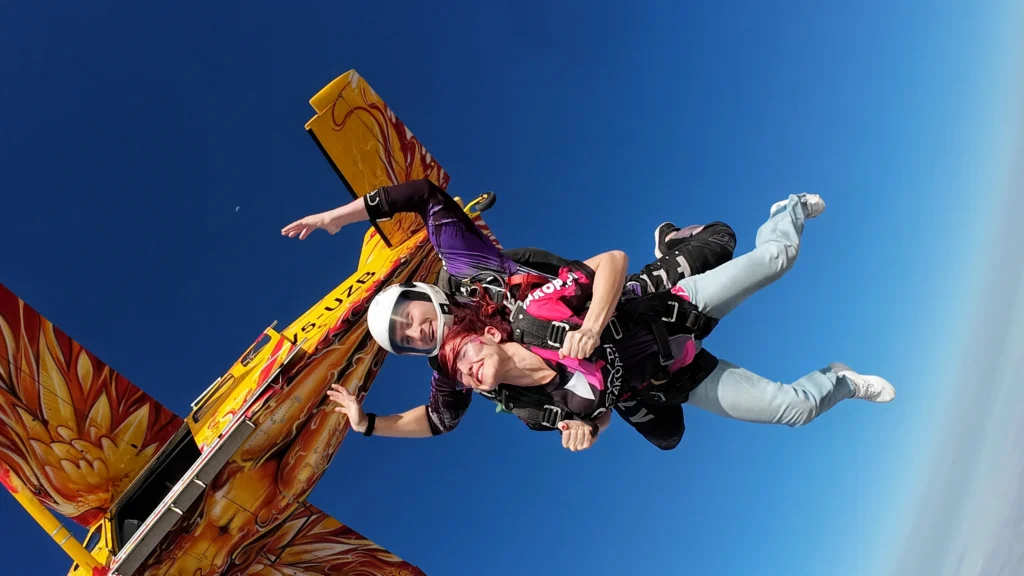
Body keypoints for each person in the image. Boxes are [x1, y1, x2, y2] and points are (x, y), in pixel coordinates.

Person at [381, 193, 895, 452]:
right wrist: (588, 428)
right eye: (409, 339)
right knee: (791, 410)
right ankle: (841, 380)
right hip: (676, 374)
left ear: (487, 333)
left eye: (466, 355)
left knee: (770, 257)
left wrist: (590, 325)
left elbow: (608, 262)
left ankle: (788, 210)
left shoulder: (527, 310)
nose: (466, 369)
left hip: (672, 308)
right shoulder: (526, 405)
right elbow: (438, 417)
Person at [282, 178, 737, 439]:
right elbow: (438, 419)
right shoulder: (451, 365)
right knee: (668, 434)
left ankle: (669, 242)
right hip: (610, 374)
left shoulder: (469, 272)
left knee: (721, 241)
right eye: (404, 339)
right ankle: (644, 383)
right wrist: (367, 425)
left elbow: (424, 195)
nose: (415, 331)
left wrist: (335, 218)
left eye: (409, 317)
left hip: (619, 306)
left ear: (424, 296)